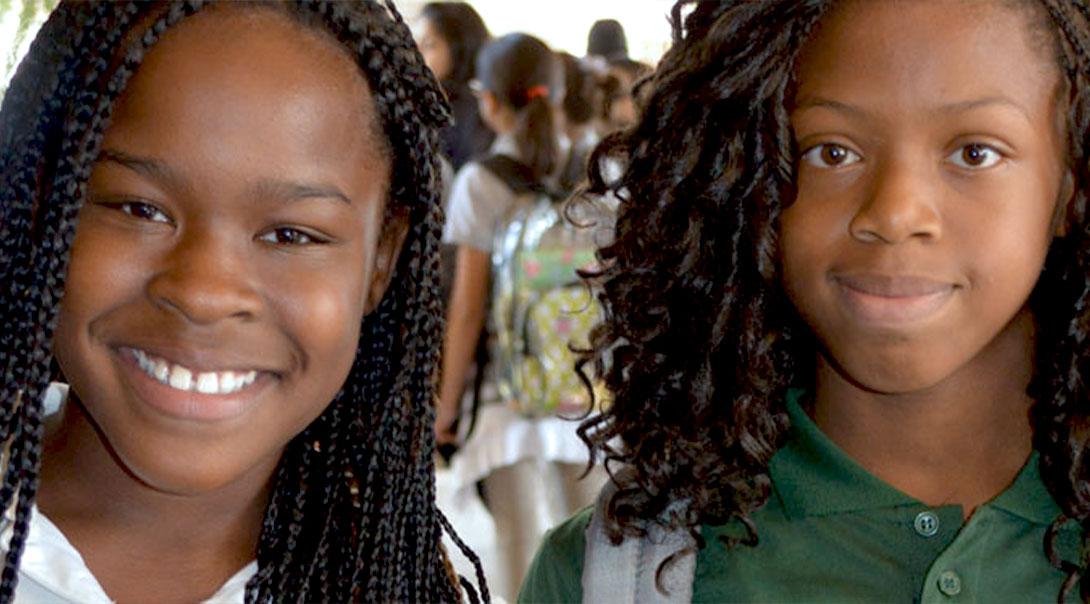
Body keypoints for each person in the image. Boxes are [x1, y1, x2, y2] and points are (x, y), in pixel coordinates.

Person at [521, 0, 1090, 601]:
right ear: (750, 178)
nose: (894, 213)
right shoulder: (606, 579)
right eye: (833, 151)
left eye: (975, 152)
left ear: (1069, 186)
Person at [0, 1, 486, 602]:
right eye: (139, 208)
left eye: (291, 235)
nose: (204, 295)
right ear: (48, 203)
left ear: (381, 258)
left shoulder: (387, 581)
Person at [437, 33, 606, 601]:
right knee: (602, 550)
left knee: (523, 554)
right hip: (590, 395)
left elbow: (465, 313)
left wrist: (443, 408)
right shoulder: (600, 171)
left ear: (487, 100)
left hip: (510, 398)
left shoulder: (480, 183)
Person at [415, 2, 494, 173]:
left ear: (459, 49)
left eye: (429, 45)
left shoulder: (477, 112)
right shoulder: (424, 103)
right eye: (414, 44)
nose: (416, 54)